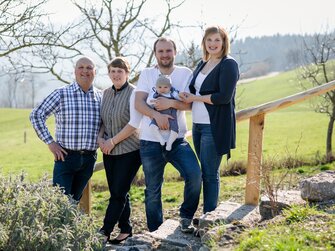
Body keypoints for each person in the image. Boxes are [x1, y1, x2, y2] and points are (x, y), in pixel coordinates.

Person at [135, 37, 202, 233]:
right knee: (153, 190)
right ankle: (156, 232)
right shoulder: (147, 74)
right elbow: (139, 103)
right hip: (150, 140)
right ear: (155, 53)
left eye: (168, 51)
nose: (165, 54)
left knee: (195, 175)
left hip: (177, 138)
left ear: (174, 52)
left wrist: (170, 104)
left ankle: (186, 217)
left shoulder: (185, 74)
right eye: (160, 51)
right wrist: (156, 114)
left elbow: (190, 104)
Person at [179, 25, 239, 213]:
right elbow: (193, 90)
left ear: (224, 43)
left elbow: (223, 97)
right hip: (197, 125)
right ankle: (205, 215)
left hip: (214, 127)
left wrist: (195, 98)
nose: (213, 44)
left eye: (217, 40)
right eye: (209, 40)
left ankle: (208, 218)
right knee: (202, 172)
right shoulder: (202, 63)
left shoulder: (228, 64)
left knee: (210, 174)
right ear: (204, 42)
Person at [30, 56, 102, 202]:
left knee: (74, 202)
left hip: (89, 158)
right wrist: (50, 142)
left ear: (95, 72)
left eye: (89, 68)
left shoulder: (101, 97)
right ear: (75, 71)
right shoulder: (61, 94)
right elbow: (36, 115)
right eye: (81, 67)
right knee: (60, 203)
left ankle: (72, 225)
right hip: (65, 157)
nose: (85, 71)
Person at [97, 57, 142, 244]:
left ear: (127, 73)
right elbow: (103, 121)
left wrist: (112, 141)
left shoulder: (134, 93)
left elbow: (134, 124)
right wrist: (100, 138)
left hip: (130, 151)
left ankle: (104, 231)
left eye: (120, 71)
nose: (116, 74)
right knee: (119, 192)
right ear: (109, 73)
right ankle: (126, 229)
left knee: (117, 194)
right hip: (109, 151)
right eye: (113, 71)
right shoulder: (106, 93)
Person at [150, 74, 180, 151]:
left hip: (171, 115)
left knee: (175, 131)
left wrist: (179, 95)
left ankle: (169, 143)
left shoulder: (172, 94)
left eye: (165, 87)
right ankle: (160, 139)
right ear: (156, 87)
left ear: (170, 87)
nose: (162, 89)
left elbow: (179, 98)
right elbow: (149, 101)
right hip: (158, 115)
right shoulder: (155, 94)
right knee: (152, 127)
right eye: (159, 87)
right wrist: (153, 102)